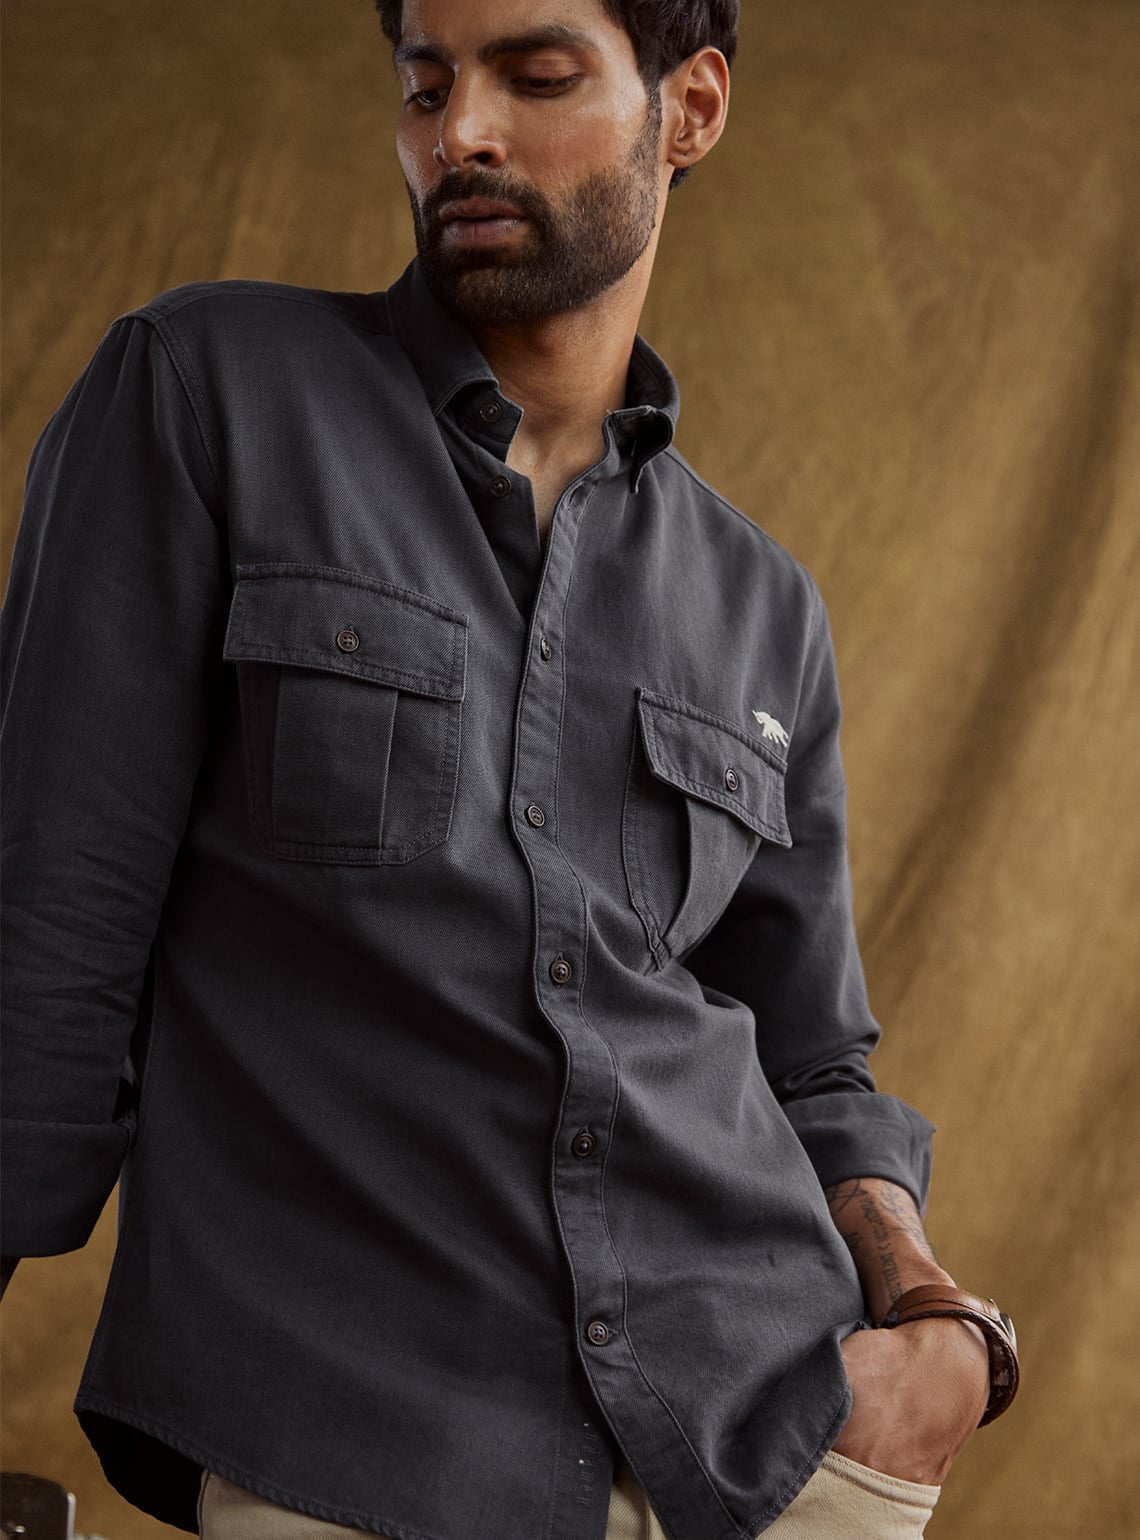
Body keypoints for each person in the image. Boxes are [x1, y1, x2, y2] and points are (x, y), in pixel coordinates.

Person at [0, 1, 1018, 1536]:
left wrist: (932, 1327)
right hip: (355, 1441)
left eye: (535, 76)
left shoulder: (764, 606)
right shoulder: (207, 395)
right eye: (425, 85)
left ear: (691, 107)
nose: (458, 132)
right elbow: (48, 943)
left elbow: (812, 1060)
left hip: (779, 1448)